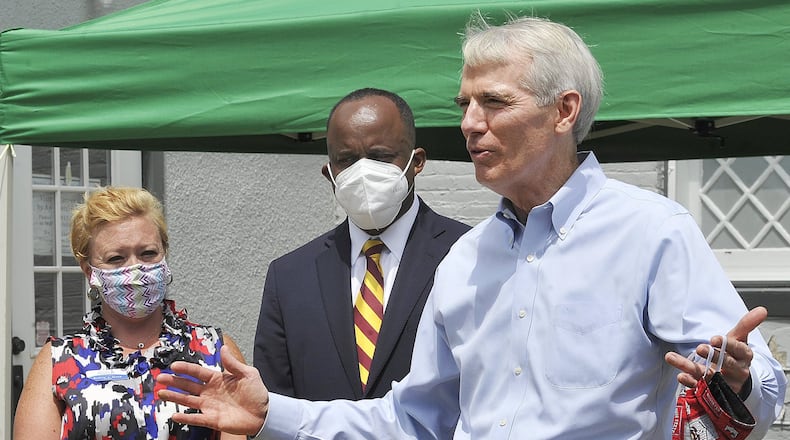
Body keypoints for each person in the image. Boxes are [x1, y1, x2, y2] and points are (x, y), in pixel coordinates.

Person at [156, 14, 786, 439]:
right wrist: (272, 412)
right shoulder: (462, 261)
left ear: (564, 111)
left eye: (496, 102)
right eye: (465, 105)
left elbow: (763, 387)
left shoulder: (651, 232)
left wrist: (736, 379)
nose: (469, 124)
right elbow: (413, 419)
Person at [253, 88, 471, 401]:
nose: (363, 171)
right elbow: (273, 407)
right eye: (347, 160)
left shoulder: (470, 255)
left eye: (381, 156)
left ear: (417, 161)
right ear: (330, 173)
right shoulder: (289, 277)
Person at [13, 186, 246, 440]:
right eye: (116, 258)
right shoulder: (58, 361)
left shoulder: (216, 351)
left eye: (148, 253)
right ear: (90, 272)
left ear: (164, 256)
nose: (135, 269)